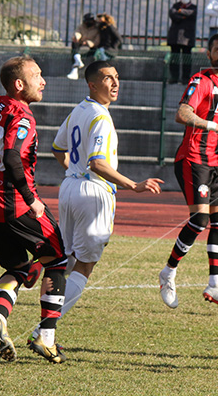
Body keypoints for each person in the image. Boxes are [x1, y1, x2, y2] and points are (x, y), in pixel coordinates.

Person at [0, 56, 67, 363]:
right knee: (57, 258)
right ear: (19, 85)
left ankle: (0, 317)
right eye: (37, 76)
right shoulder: (22, 116)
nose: (43, 81)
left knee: (21, 269)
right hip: (15, 205)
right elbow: (11, 157)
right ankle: (46, 339)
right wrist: (32, 199)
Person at [45, 60, 163, 337]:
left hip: (69, 189)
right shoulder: (101, 117)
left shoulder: (78, 110)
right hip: (93, 193)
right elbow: (97, 164)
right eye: (108, 78)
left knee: (68, 262)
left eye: (117, 77)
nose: (115, 83)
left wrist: (74, 173)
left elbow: (56, 148)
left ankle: (41, 319)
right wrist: (133, 185)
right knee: (85, 265)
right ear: (93, 84)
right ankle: (44, 328)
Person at [159, 33, 218, 311]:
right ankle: (168, 273)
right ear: (208, 54)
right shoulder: (201, 81)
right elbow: (182, 113)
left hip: (217, 162)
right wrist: (214, 127)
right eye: (217, 50)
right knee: (199, 221)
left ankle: (216, 285)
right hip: (193, 159)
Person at [167, 0, 198, 84]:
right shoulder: (175, 6)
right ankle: (174, 77)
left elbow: (191, 13)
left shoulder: (193, 8)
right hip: (175, 37)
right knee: (174, 58)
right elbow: (173, 14)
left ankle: (185, 78)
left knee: (187, 59)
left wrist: (180, 12)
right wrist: (183, 15)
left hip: (187, 38)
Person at [67, 13, 100, 80]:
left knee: (84, 51)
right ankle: (77, 59)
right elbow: (78, 32)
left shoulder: (97, 29)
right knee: (74, 44)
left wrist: (88, 43)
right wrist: (77, 37)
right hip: (80, 44)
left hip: (90, 47)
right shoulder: (81, 26)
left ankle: (75, 67)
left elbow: (97, 41)